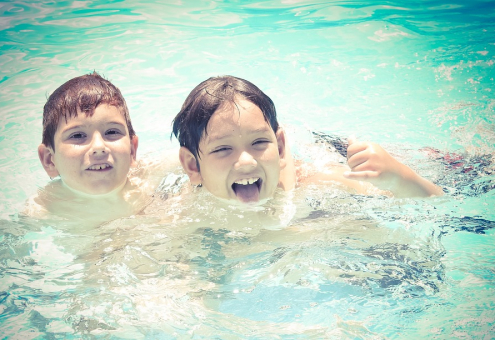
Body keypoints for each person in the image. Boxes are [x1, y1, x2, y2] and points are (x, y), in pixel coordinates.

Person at [172, 75, 443, 204]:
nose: (245, 162)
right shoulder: (180, 205)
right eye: (223, 149)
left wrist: (399, 177)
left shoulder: (316, 185)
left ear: (279, 146)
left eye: (258, 143)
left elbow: (435, 199)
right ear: (193, 166)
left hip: (331, 154)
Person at [29, 72, 153, 226]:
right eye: (78, 135)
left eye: (112, 132)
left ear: (132, 150)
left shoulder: (148, 181)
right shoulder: (42, 209)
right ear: (49, 160)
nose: (99, 147)